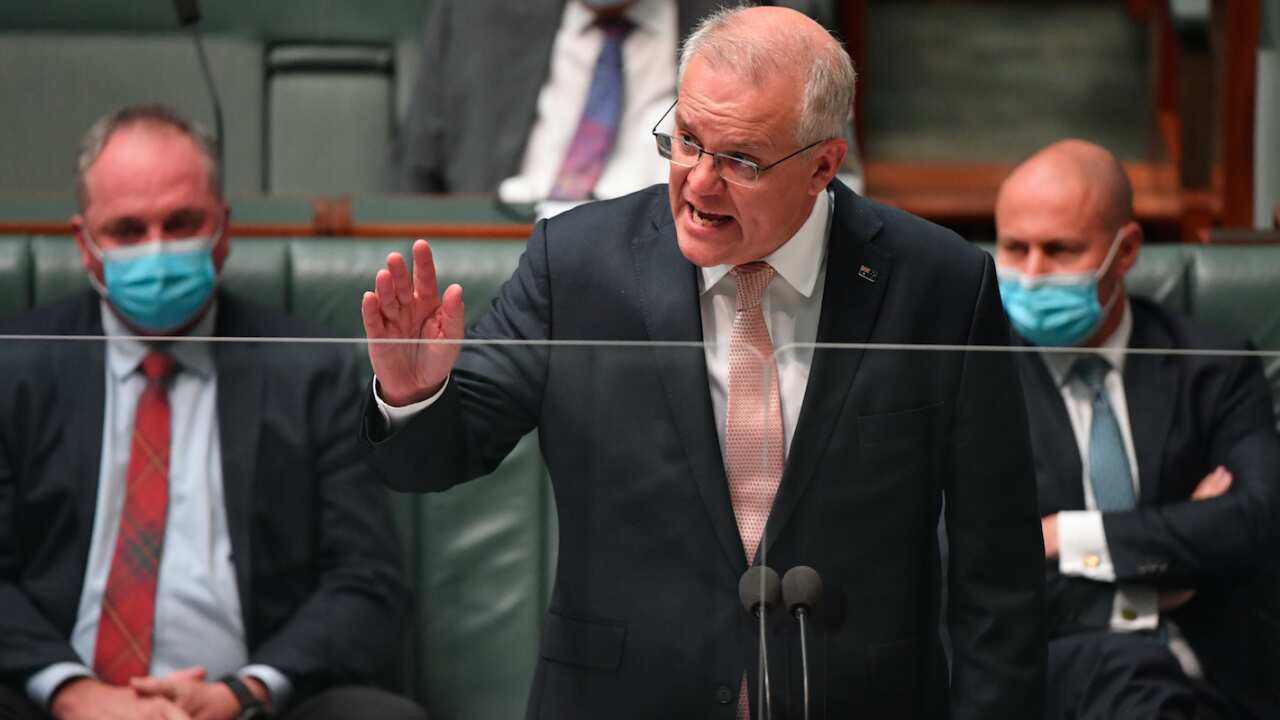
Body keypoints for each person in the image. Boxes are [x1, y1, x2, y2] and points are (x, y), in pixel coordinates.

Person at [365, 7, 1043, 718]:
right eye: (687, 141)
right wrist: (413, 395)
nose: (698, 184)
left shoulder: (938, 284)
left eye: (740, 160)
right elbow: (431, 461)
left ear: (822, 166)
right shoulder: (576, 265)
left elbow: (998, 574)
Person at [0, 106, 424, 720]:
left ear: (222, 230)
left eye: (181, 223)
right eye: (126, 230)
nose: (158, 249)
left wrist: (242, 693)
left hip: (243, 704)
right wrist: (74, 694)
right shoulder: (16, 367)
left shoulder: (307, 373)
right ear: (86, 247)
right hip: (59, 701)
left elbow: (368, 587)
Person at [994, 138, 1280, 719]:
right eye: (1013, 248)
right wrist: (1162, 579)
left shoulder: (1214, 366)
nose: (1030, 275)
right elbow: (967, 578)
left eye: (1060, 250)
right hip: (1060, 681)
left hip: (1225, 679)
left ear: (1125, 252)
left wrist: (1064, 536)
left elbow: (1256, 520)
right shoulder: (972, 377)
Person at [395, 0, 863, 202]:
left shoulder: (765, 15)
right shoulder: (475, 14)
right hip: (496, 261)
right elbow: (413, 185)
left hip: (684, 269)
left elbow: (832, 183)